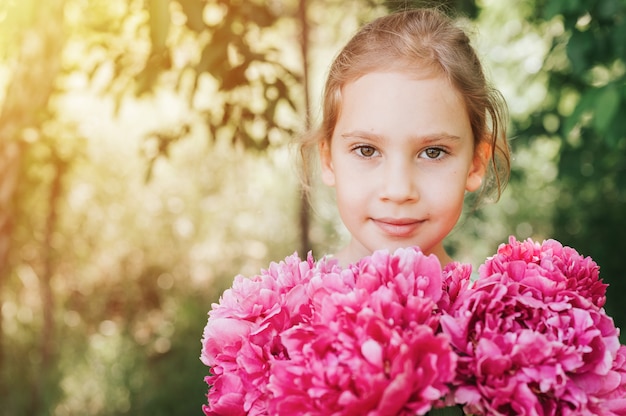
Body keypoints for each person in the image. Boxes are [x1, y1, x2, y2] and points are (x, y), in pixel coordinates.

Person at [298, 7, 511, 267]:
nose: (398, 191)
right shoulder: (284, 305)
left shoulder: (504, 306)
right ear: (328, 160)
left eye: (433, 152)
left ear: (476, 164)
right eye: (366, 150)